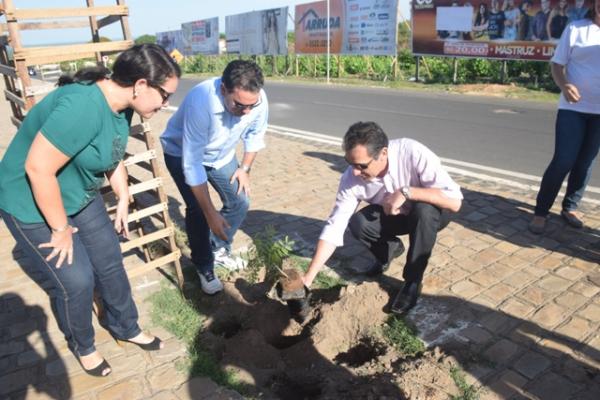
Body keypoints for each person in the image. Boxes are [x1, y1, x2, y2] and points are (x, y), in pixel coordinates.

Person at [0, 44, 181, 377]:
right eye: (165, 95)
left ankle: (125, 325)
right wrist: (60, 229)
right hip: (28, 199)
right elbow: (38, 169)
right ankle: (83, 345)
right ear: (141, 85)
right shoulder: (82, 106)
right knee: (77, 280)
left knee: (110, 260)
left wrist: (124, 195)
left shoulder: (123, 105)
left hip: (76, 194)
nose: (166, 103)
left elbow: (113, 155)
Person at [301, 122, 462, 314]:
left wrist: (407, 192)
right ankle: (389, 250)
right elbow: (335, 225)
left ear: (383, 154)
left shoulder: (412, 152)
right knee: (358, 223)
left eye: (362, 165)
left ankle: (412, 281)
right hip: (394, 214)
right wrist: (308, 278)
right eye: (350, 163)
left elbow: (454, 202)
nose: (355, 172)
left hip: (434, 211)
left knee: (423, 211)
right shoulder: (351, 177)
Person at [160, 60, 268, 295]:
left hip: (221, 155)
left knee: (240, 200)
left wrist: (245, 168)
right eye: (239, 105)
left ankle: (217, 248)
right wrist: (211, 213)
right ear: (223, 90)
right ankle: (204, 266)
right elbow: (192, 164)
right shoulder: (202, 101)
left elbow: (255, 133)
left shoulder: (256, 99)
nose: (247, 111)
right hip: (182, 153)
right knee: (198, 209)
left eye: (252, 105)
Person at [529, 0, 600, 234]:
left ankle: (570, 207)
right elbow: (557, 66)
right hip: (573, 109)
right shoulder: (577, 29)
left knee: (586, 162)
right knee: (563, 160)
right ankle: (541, 211)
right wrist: (565, 85)